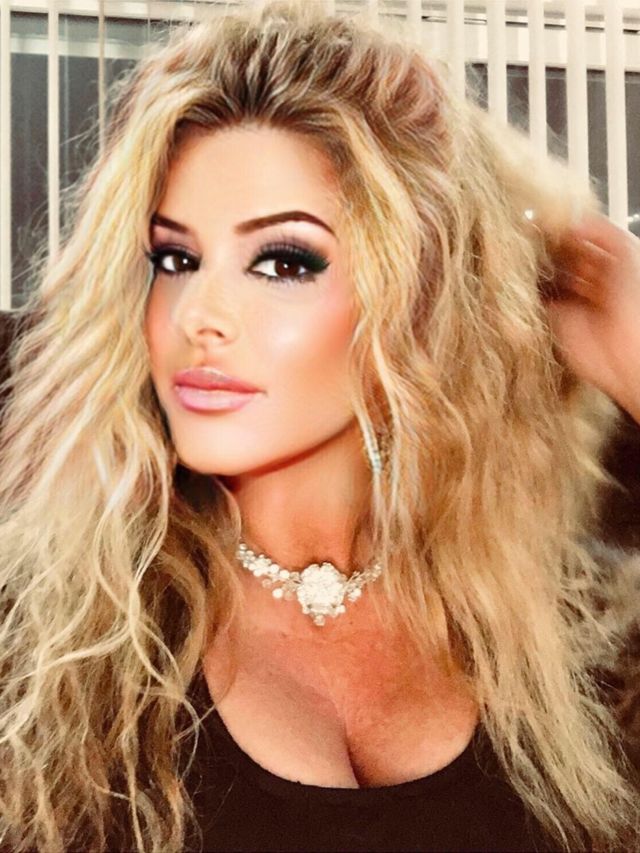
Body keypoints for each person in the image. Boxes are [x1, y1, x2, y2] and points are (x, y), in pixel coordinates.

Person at [1, 1, 640, 850]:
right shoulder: (39, 644)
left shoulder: (577, 636)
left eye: (283, 260)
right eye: (175, 258)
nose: (198, 315)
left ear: (420, 298)